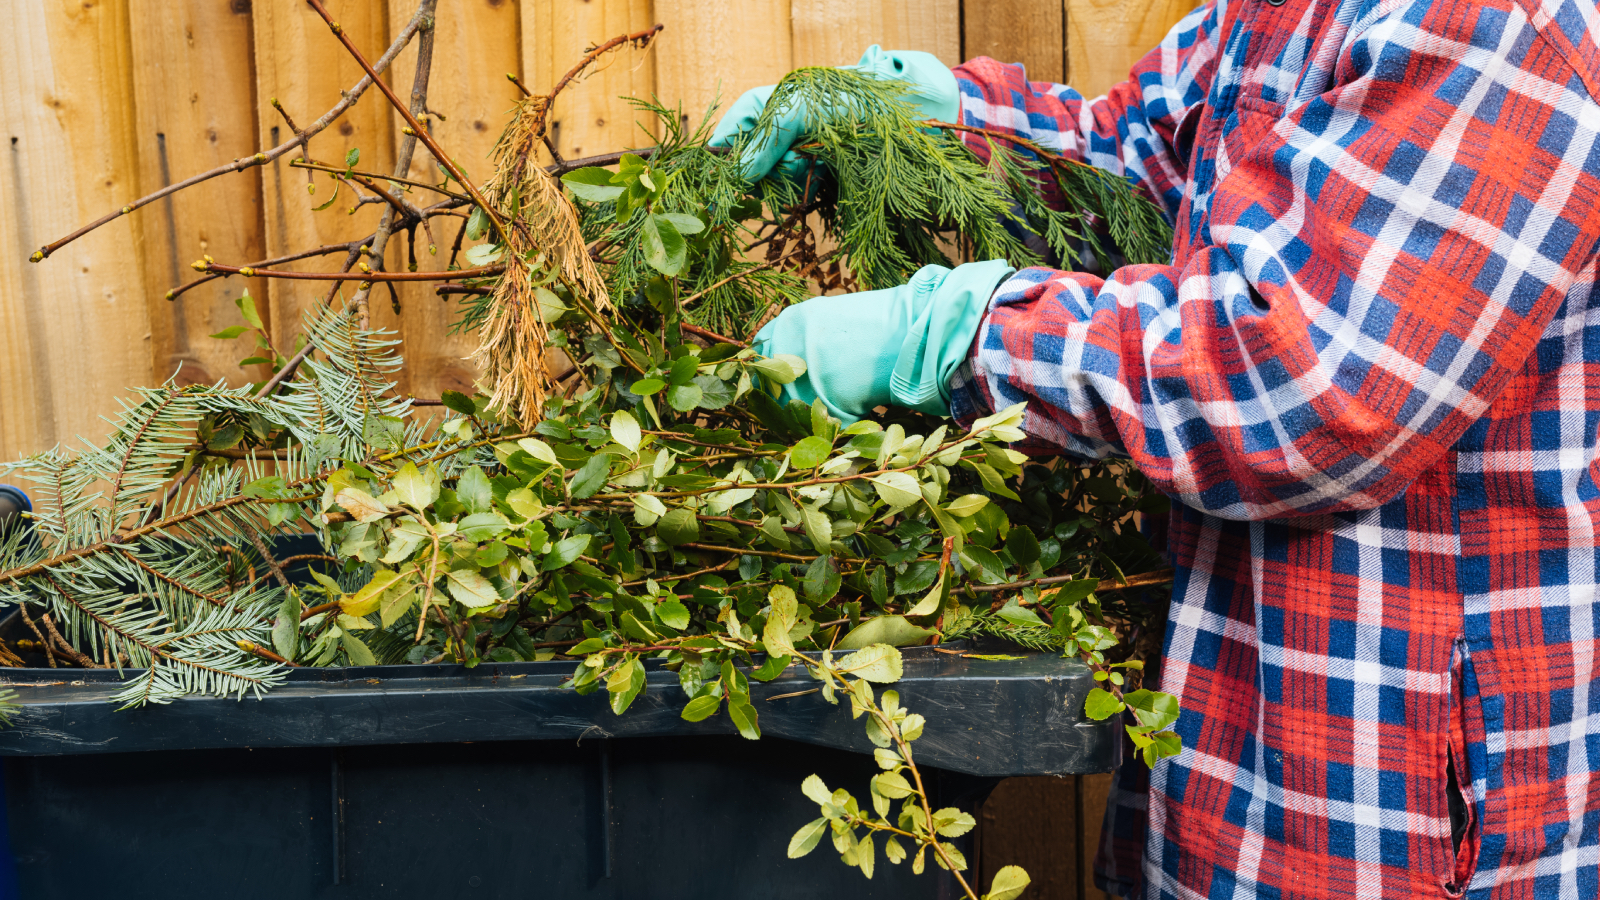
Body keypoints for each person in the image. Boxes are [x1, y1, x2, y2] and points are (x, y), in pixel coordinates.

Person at [713, 0, 1600, 895]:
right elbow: (1142, 174)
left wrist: (962, 337)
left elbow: (1298, 392)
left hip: (1396, 804)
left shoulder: (1501, 20)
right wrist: (933, 127)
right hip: (1226, 753)